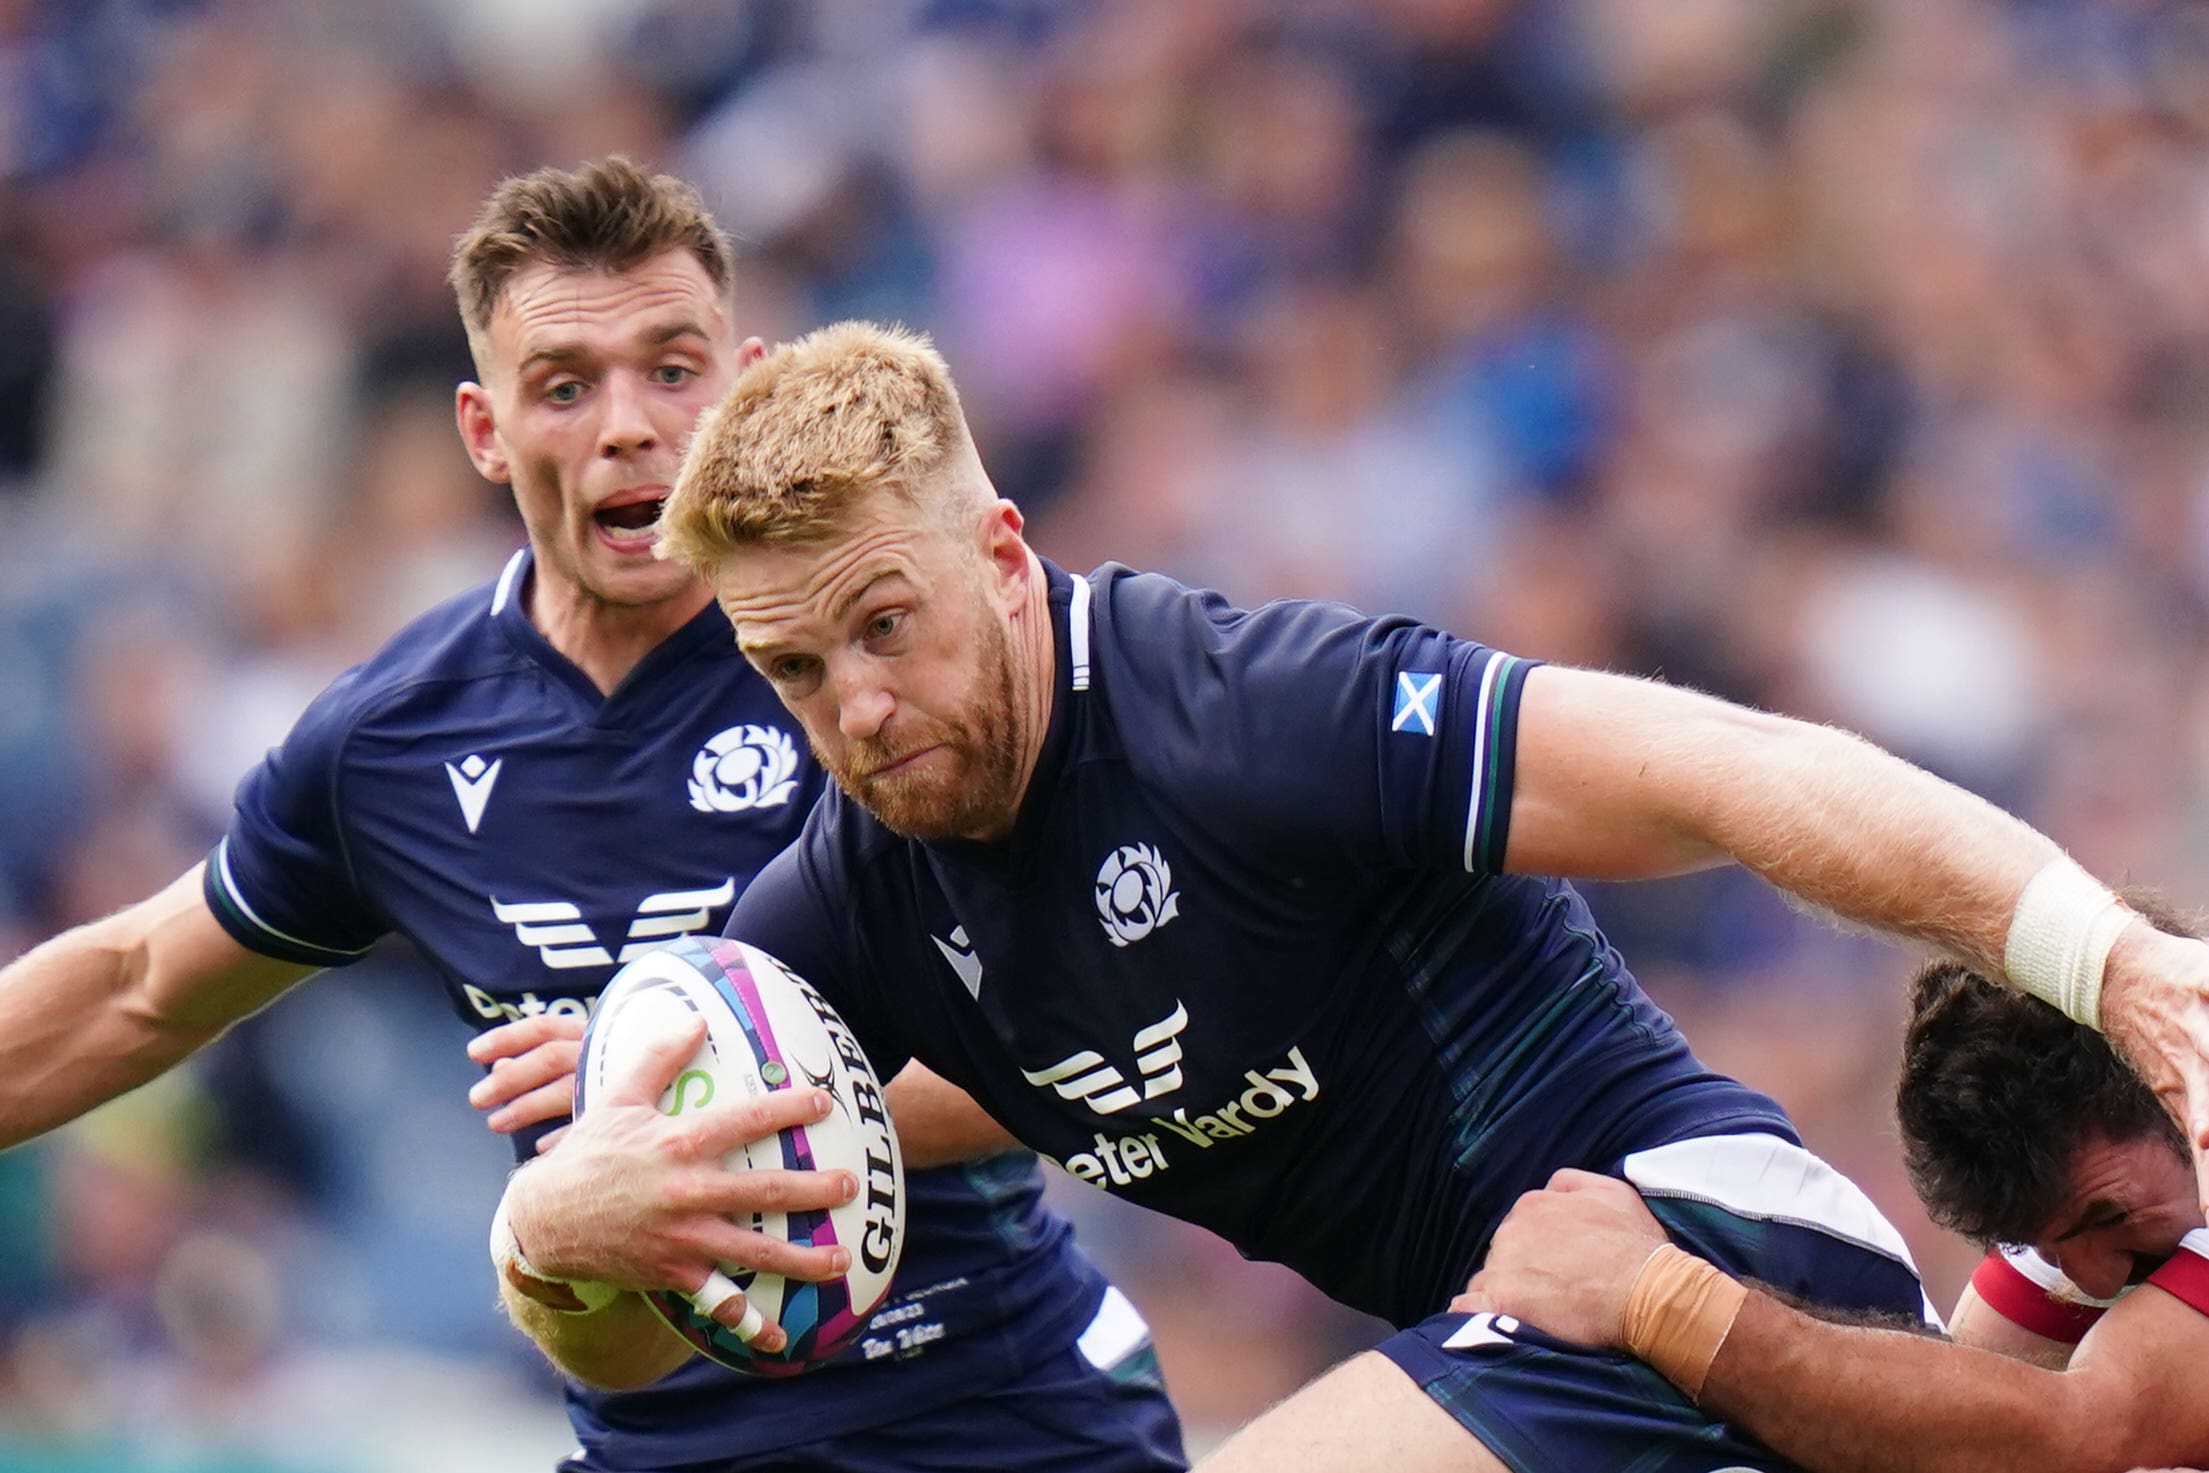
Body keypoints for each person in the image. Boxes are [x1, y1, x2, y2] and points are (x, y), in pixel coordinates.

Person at [491, 318, 2209, 1470]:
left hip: (1695, 1257)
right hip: (1517, 1361)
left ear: (1003, 557)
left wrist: (2094, 948)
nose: (852, 707)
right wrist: (562, 1241)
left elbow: (1725, 773)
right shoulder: (840, 918)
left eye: (886, 625)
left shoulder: (1238, 711)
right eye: (788, 667)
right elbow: (657, 1331)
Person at [0, 163, 1186, 1473]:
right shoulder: (393, 742)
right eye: (565, 385)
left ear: (742, 386)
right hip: (658, 1443)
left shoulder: (879, 661)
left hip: (987, 1417)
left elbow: (1101, 1023)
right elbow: (134, 986)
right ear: (484, 430)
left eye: (672, 370)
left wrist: (684, 1095)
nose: (628, 424)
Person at [1457, 900, 2209, 1473]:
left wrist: (1652, 1297)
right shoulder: (2088, 1226)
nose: (2092, 1273)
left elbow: (2080, 1428)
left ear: (2175, 1086)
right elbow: (1944, 1434)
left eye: (2108, 1213)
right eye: (2045, 1242)